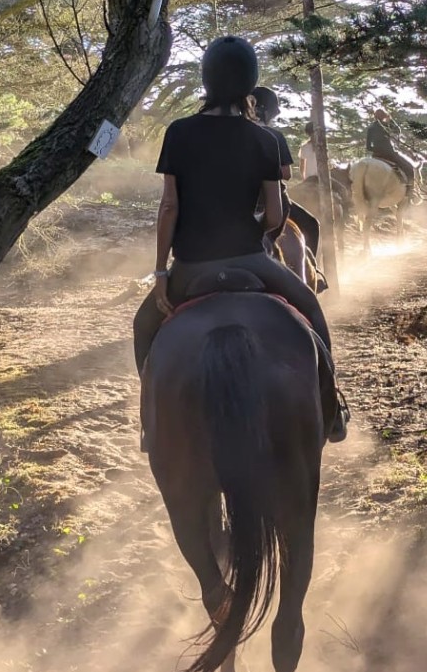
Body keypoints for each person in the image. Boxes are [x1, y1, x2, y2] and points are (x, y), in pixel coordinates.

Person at [133, 37, 349, 442]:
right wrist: (263, 235)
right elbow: (273, 213)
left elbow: (169, 208)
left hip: (192, 266)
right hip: (252, 259)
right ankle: (332, 411)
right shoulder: (265, 139)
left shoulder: (179, 132)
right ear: (250, 83)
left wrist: (162, 271)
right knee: (311, 312)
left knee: (143, 326)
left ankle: (151, 426)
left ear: (206, 79)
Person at [252, 86, 323, 279]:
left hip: (238, 201)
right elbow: (286, 173)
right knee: (311, 225)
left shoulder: (234, 134)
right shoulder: (274, 136)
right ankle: (312, 275)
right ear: (267, 112)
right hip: (271, 201)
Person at [365, 109, 417, 200]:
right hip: (389, 154)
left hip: (376, 155)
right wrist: (390, 119)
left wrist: (377, 150)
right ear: (383, 116)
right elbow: (398, 131)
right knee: (409, 168)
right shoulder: (386, 125)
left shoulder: (370, 128)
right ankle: (410, 190)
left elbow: (368, 147)